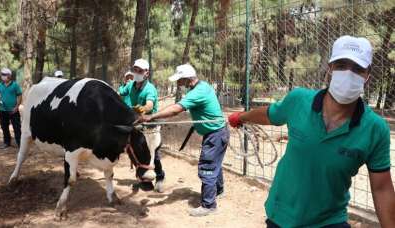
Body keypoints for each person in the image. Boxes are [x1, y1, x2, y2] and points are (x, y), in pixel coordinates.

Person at [228, 35, 395, 227]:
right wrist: (241, 117)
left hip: (329, 221)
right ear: (330, 68)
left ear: (367, 75)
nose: (348, 73)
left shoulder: (375, 129)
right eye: (341, 65)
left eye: (357, 68)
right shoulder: (299, 100)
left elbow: (382, 188)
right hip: (281, 215)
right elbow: (270, 114)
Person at [140, 64, 229, 217]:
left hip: (215, 134)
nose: (178, 83)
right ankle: (218, 191)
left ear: (187, 79)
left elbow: (176, 109)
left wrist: (152, 116)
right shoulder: (201, 86)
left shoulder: (197, 92)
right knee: (215, 163)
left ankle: (209, 205)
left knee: (207, 165)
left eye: (179, 80)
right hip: (217, 133)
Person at [120, 59, 166, 193]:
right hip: (137, 124)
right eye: (135, 70)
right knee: (136, 151)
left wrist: (143, 109)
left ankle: (160, 177)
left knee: (153, 155)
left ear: (147, 73)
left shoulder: (150, 89)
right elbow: (121, 93)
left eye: (140, 71)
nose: (137, 73)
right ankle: (142, 177)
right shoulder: (131, 85)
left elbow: (150, 104)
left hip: (150, 126)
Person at [0, 68, 22, 149]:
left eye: (4, 75)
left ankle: (20, 143)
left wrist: (16, 107)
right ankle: (7, 142)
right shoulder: (0, 85)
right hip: (2, 110)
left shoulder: (15, 85)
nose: (2, 76)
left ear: (9, 76)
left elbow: (19, 95)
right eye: (2, 75)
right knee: (4, 127)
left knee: (17, 128)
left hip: (13, 110)